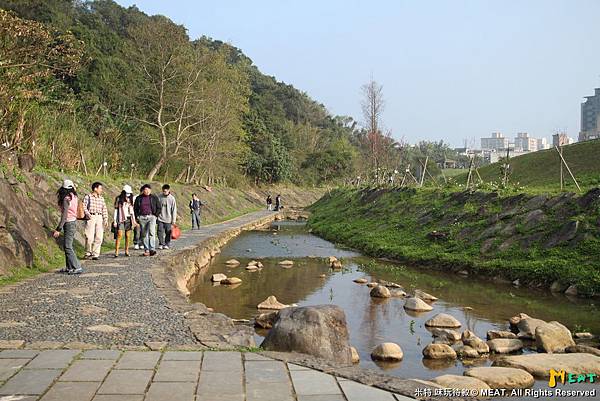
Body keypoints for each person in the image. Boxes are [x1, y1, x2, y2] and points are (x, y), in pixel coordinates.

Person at [52, 179, 83, 275]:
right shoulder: (74, 196)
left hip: (68, 223)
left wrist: (58, 229)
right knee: (67, 246)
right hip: (72, 222)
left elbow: (64, 215)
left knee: (68, 246)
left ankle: (77, 266)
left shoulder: (66, 199)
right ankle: (69, 267)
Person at [83, 182, 108, 260]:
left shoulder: (101, 198)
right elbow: (84, 206)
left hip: (99, 217)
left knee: (99, 236)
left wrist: (105, 219)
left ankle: (95, 254)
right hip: (91, 216)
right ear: (95, 188)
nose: (101, 190)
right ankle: (88, 252)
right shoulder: (88, 197)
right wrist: (88, 214)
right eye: (100, 188)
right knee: (89, 236)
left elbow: (104, 209)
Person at [133, 184, 160, 256]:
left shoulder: (154, 197)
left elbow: (159, 207)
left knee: (152, 232)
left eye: (148, 190)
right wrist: (137, 217)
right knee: (144, 234)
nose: (147, 191)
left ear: (150, 190)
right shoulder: (139, 198)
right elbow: (135, 208)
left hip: (151, 217)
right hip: (142, 217)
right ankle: (146, 250)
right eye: (145, 190)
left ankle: (152, 249)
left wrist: (155, 216)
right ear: (143, 190)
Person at [113, 184, 136, 258]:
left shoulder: (131, 199)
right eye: (127, 193)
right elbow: (116, 210)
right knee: (119, 234)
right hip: (120, 218)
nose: (128, 195)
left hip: (129, 219)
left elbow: (132, 211)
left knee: (128, 235)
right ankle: (116, 251)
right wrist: (115, 221)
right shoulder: (118, 199)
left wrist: (134, 220)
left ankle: (126, 250)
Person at [157, 184, 177, 249]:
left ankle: (167, 244)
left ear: (168, 190)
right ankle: (161, 243)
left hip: (168, 219)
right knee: (159, 231)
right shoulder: (159, 197)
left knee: (168, 232)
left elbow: (174, 210)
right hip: (160, 218)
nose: (164, 192)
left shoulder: (172, 198)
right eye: (163, 191)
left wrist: (173, 220)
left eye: (165, 191)